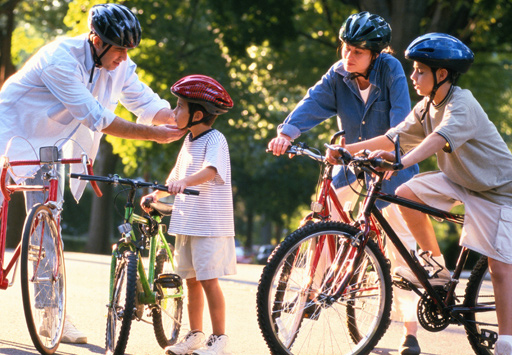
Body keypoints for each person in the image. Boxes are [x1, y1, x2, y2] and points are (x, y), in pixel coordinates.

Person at [0, 3, 186, 344]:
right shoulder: (59, 59)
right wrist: (153, 134)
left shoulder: (120, 65)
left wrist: (178, 117)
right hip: (10, 135)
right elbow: (95, 116)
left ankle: (50, 314)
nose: (125, 57)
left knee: (48, 226)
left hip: (50, 147)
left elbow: (145, 103)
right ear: (96, 40)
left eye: (129, 50)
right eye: (119, 49)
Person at [334, 32, 512, 355]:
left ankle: (506, 343)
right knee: (407, 194)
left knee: (499, 268)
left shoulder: (462, 103)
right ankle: (439, 270)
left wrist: (402, 160)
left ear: (441, 74)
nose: (412, 76)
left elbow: (437, 141)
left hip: (497, 190)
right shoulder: (427, 106)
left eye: (419, 71)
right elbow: (394, 136)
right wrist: (348, 149)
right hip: (459, 179)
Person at [267, 11, 422, 354]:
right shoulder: (338, 74)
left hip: (393, 168)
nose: (348, 56)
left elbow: (400, 129)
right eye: (346, 48)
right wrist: (286, 133)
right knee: (325, 217)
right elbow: (312, 103)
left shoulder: (391, 70)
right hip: (352, 167)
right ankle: (315, 288)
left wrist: (365, 152)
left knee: (402, 251)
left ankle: (410, 332)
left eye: (358, 52)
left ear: (376, 54)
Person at [141, 74, 236, 355]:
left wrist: (185, 183)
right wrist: (157, 194)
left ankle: (219, 339)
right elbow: (177, 175)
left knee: (208, 280)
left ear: (197, 113)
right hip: (187, 221)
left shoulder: (215, 139)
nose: (173, 111)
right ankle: (195, 335)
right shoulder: (189, 140)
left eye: (179, 106)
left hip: (209, 224)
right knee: (191, 280)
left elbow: (210, 172)